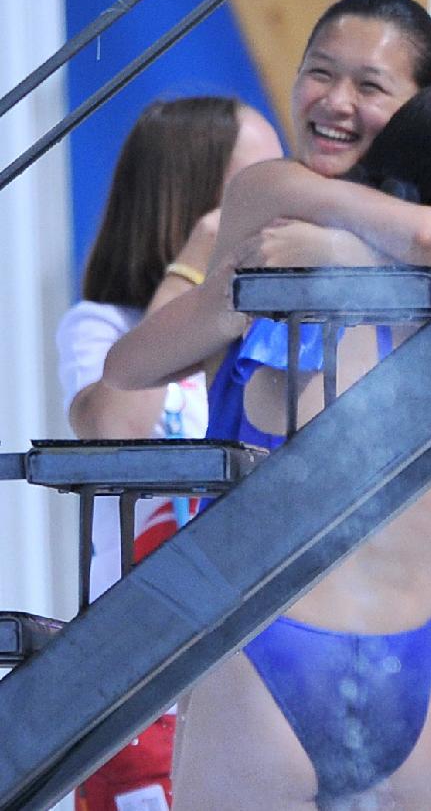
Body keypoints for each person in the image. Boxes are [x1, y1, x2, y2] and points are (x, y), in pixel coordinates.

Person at [105, 0, 431, 810]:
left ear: (425, 111)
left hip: (378, 673)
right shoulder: (275, 200)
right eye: (318, 73)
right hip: (294, 666)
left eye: (368, 86)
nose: (333, 102)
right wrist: (237, 287)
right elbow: (126, 371)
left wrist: (349, 257)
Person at [56, 96, 282, 810]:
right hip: (142, 671)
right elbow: (116, 430)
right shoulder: (104, 326)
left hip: (252, 657)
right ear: (190, 199)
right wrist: (191, 272)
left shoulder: (272, 336)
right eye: (259, 182)